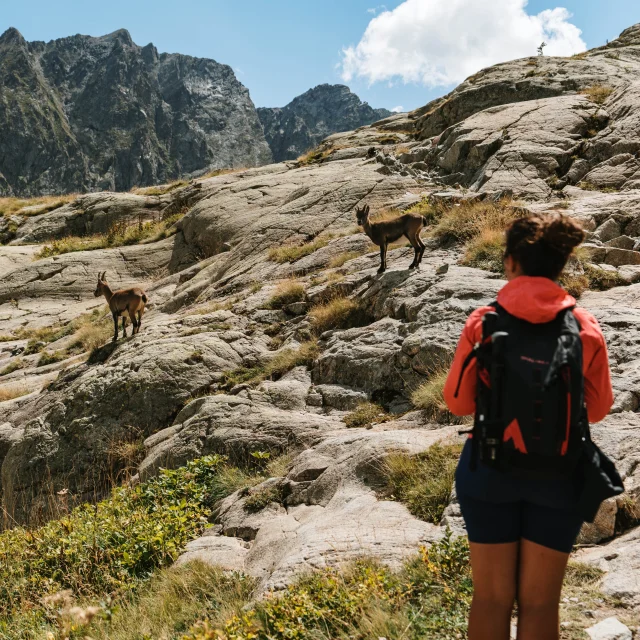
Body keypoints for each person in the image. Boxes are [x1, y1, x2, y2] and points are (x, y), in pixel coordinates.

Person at [443, 213, 614, 640]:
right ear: (560, 266)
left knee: (490, 599)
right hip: (559, 472)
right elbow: (597, 411)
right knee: (540, 604)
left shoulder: (483, 321)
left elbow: (457, 402)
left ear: (510, 262)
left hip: (489, 469)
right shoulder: (584, 325)